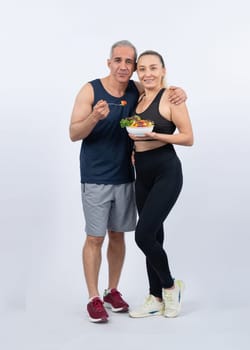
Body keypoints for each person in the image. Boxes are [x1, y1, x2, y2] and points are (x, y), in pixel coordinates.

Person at [69, 40, 187, 323]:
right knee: (95, 237)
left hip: (128, 176)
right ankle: (94, 297)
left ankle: (114, 291)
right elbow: (74, 133)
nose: (124, 66)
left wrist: (180, 92)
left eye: (129, 62)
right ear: (108, 62)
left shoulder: (137, 90)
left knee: (120, 236)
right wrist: (94, 118)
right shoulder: (91, 89)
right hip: (96, 176)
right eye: (118, 60)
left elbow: (162, 91)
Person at [128, 50, 194, 319]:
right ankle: (155, 297)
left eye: (153, 68)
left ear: (163, 70)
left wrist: (155, 134)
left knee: (142, 235)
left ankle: (170, 287)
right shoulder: (139, 96)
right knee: (154, 236)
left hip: (166, 170)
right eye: (142, 69)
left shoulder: (172, 97)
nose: (148, 73)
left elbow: (188, 137)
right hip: (141, 173)